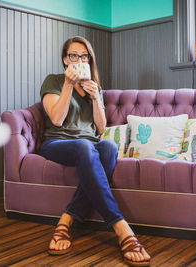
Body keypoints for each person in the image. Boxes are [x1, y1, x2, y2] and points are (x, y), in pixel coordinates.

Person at [39, 36, 151, 266]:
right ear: (65, 60)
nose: (78, 60)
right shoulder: (54, 81)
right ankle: (120, 227)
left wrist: (96, 97)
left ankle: (67, 219)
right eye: (73, 56)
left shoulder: (94, 87)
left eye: (83, 56)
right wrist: (70, 85)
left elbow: (101, 129)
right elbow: (57, 120)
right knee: (84, 145)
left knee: (108, 146)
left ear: (89, 61)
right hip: (58, 143)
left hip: (88, 145)